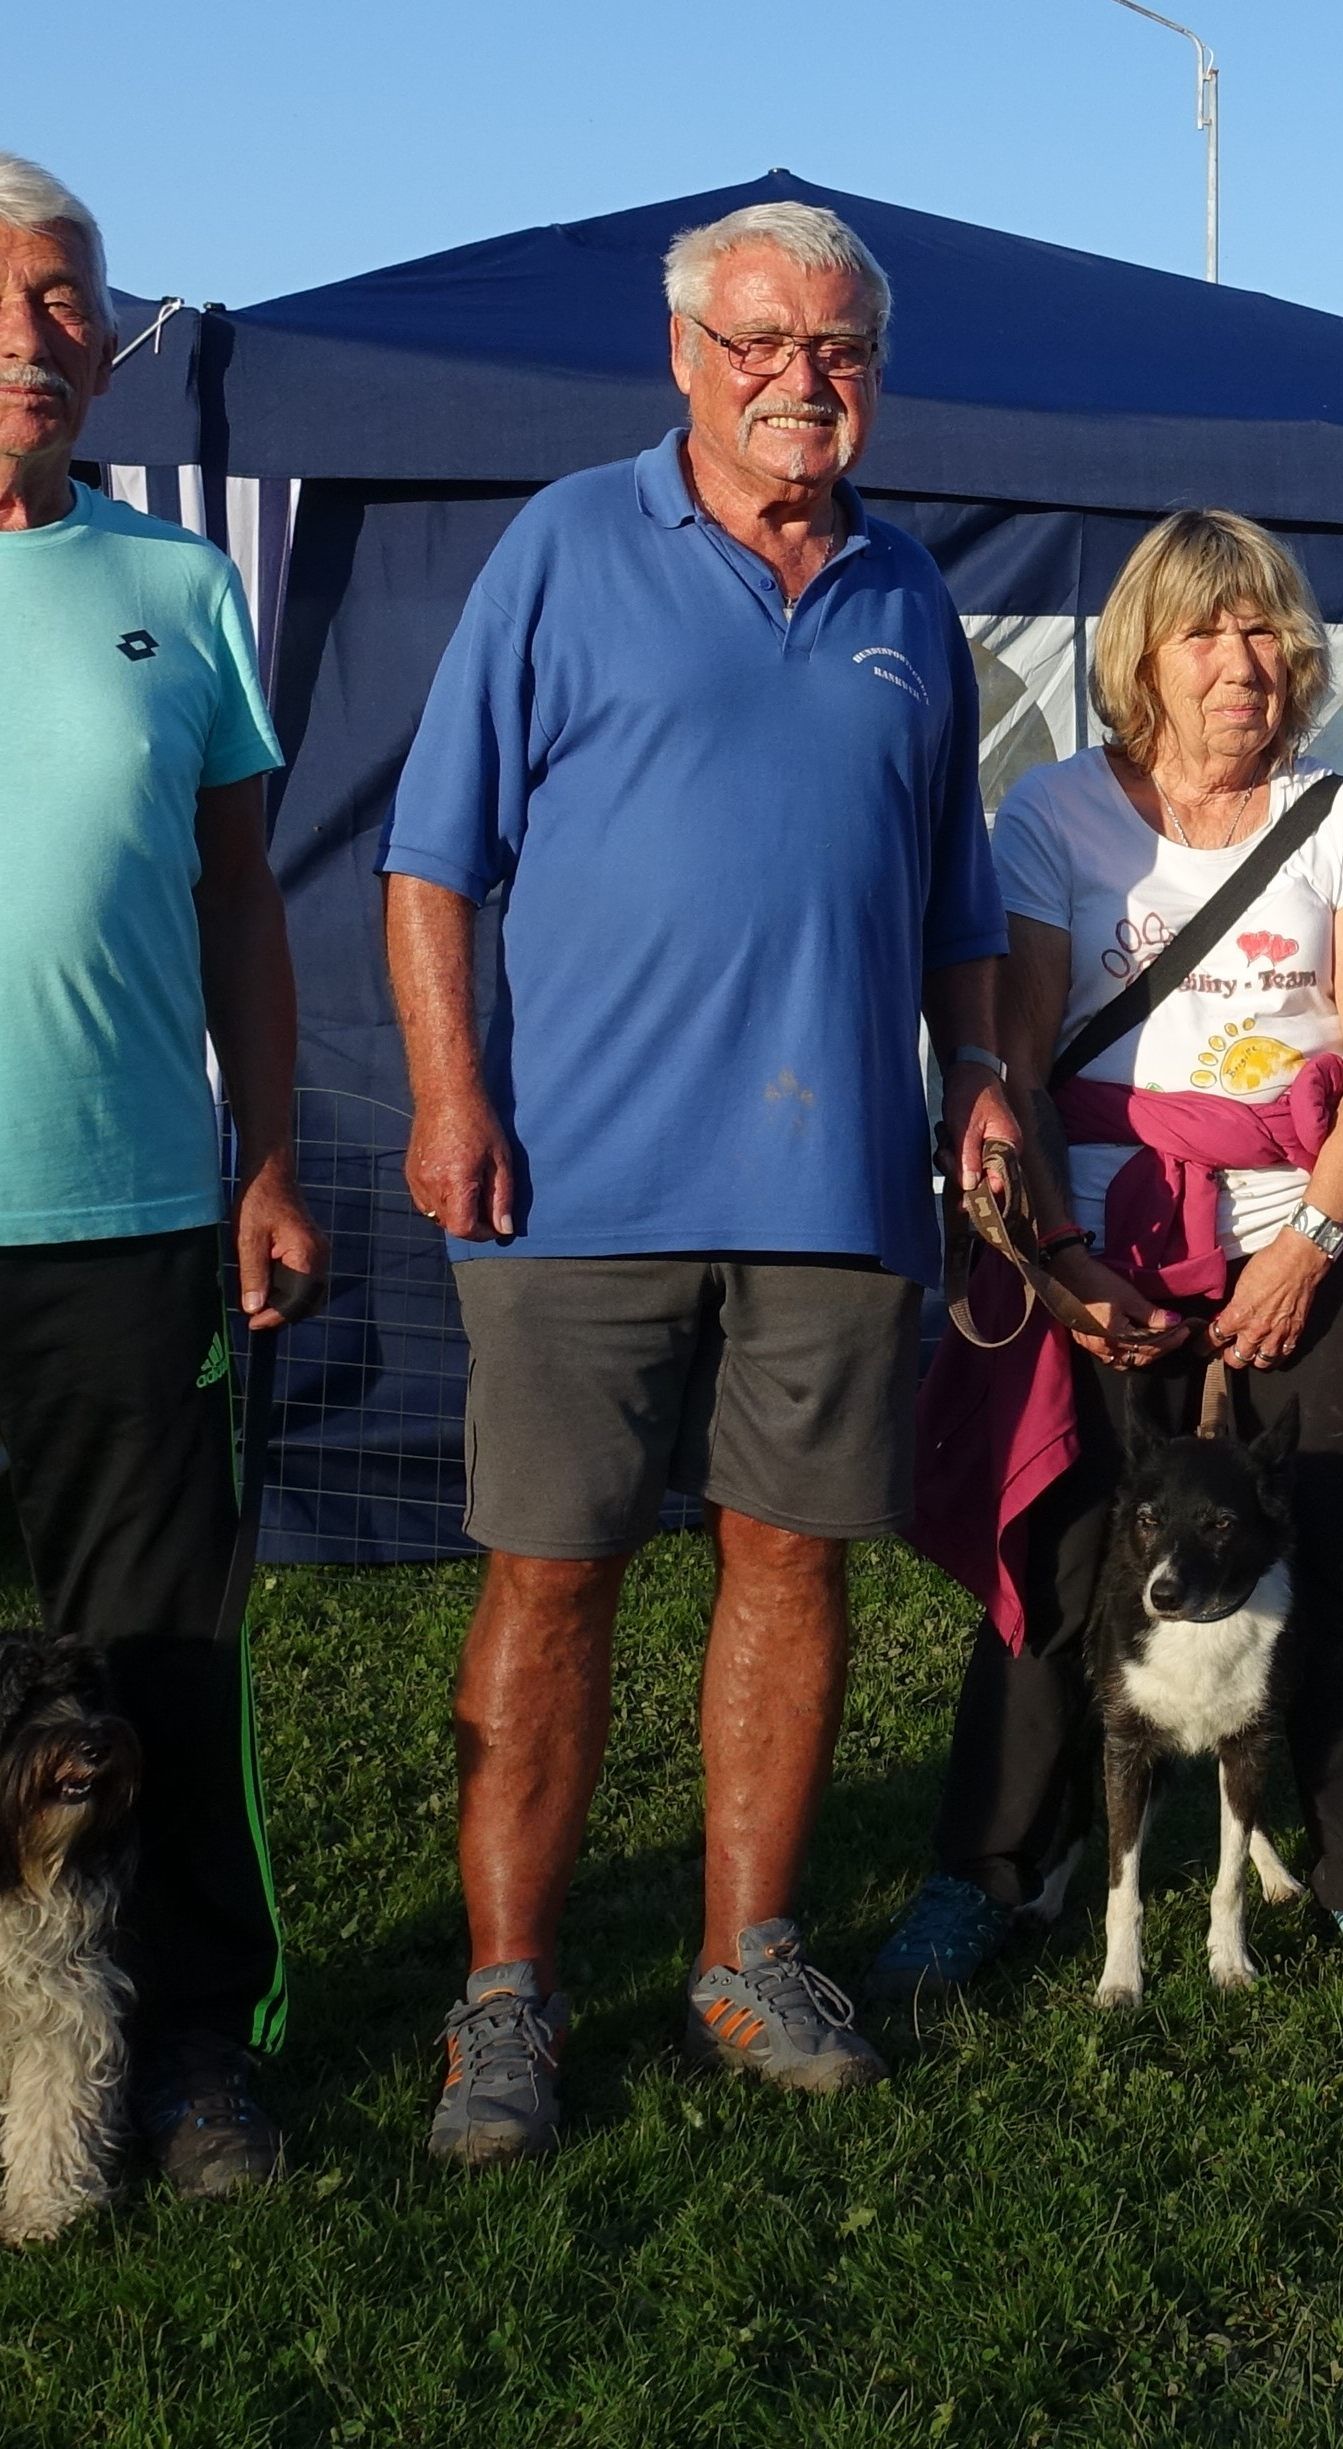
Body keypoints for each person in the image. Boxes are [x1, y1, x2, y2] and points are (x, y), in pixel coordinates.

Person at [382, 202, 1014, 2164]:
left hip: (837, 1188)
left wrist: (982, 1074)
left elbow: (953, 899)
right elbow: (433, 860)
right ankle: (509, 1998)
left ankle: (751, 1950)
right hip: (574, 1183)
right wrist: (449, 1093)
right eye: (761, 341)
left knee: (790, 1567)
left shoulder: (911, 594)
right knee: (551, 1579)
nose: (799, 377)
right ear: (684, 356)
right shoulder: (565, 546)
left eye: (836, 348)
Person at [892, 509, 1343, 1994]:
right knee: (1072, 1544)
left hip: (1304, 1241)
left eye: (1268, 630)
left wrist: (1308, 1255)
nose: (1243, 662)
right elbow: (1012, 1060)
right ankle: (989, 1873)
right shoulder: (1051, 817)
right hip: (1098, 1255)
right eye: (1206, 632)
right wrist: (1065, 1262)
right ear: (1140, 658)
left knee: (1330, 1548)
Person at [0, 152, 324, 2200]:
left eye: (71, 303)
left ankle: (192, 2047)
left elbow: (244, 912)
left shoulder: (175, 587)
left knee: (156, 1664)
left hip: (119, 1216)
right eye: (13, 295)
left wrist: (272, 1158)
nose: (47, 337)